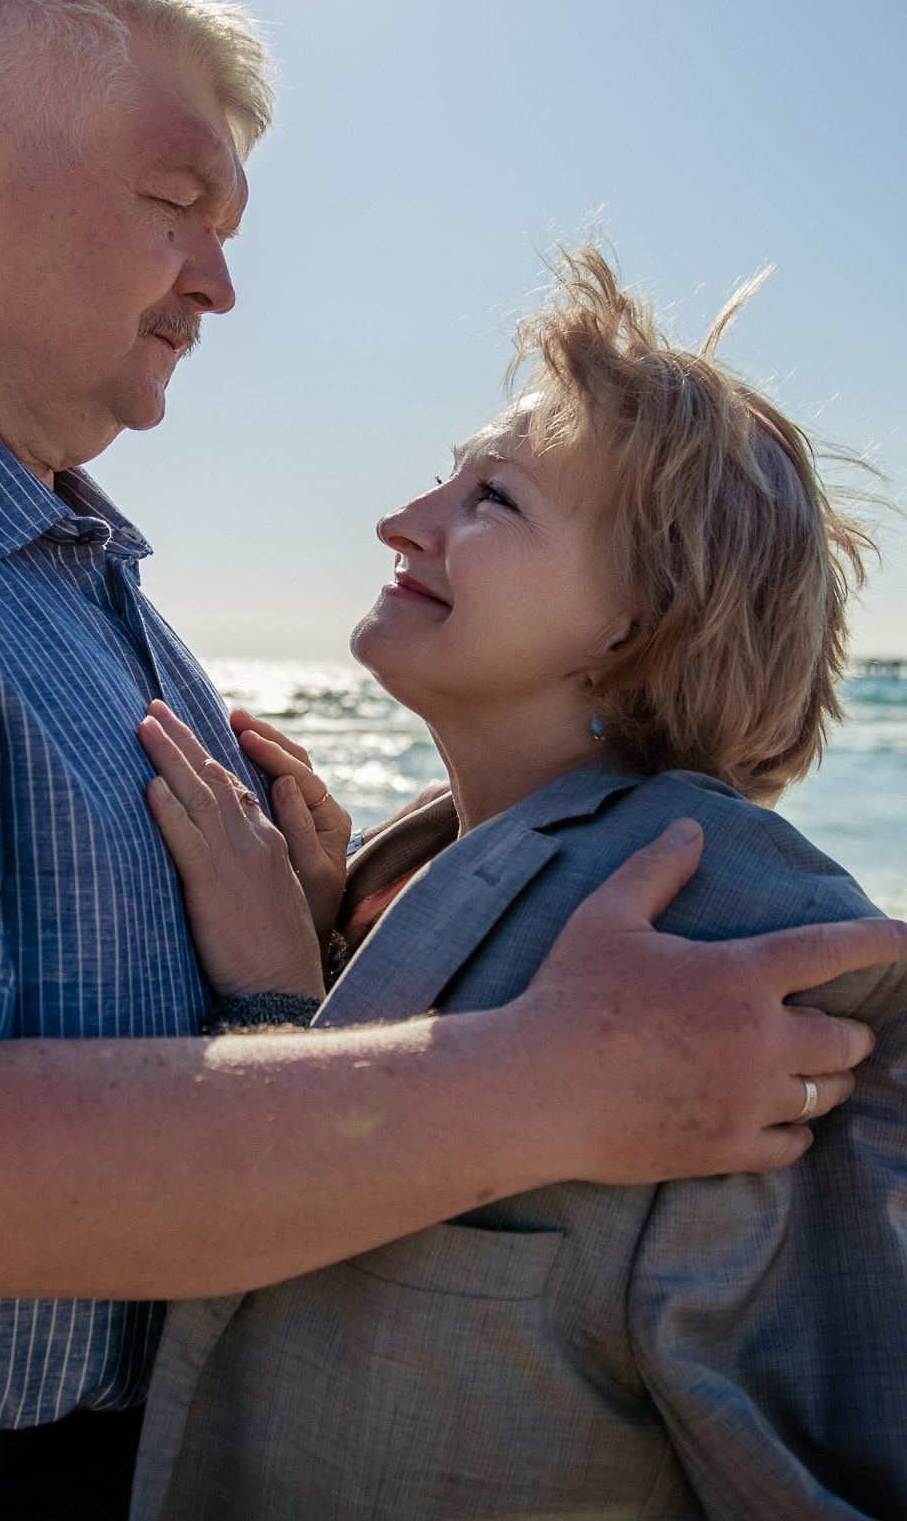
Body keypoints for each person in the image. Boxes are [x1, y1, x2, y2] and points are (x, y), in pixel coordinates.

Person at [0, 0, 899, 1521]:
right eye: (179, 202)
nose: (221, 279)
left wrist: (321, 969)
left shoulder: (119, 618)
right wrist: (536, 1078)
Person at [130, 249, 907, 1521]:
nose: (403, 521)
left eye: (490, 498)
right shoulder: (395, 872)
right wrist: (318, 969)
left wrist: (271, 1015)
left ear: (640, 614)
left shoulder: (736, 923)